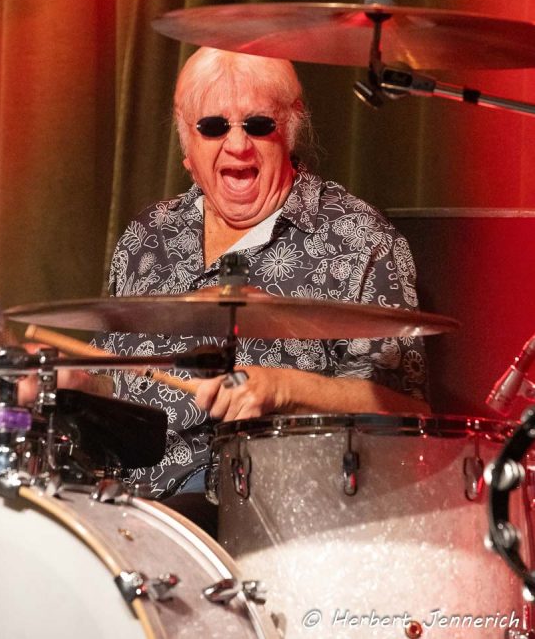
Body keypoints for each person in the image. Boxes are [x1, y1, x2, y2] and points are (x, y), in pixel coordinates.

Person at [98, 46, 429, 510]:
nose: (237, 146)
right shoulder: (147, 236)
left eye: (257, 124)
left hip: (278, 511)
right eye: (213, 126)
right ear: (187, 148)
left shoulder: (360, 240)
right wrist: (72, 383)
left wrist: (283, 389)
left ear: (289, 131)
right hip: (132, 510)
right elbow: (113, 384)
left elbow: (407, 415)